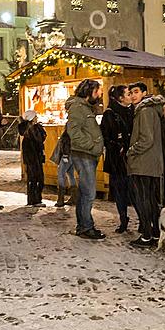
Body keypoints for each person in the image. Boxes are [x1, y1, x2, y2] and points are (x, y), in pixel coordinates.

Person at [126, 82, 165, 247]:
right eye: (131, 92)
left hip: (143, 162)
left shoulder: (145, 111)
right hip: (150, 162)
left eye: (136, 92)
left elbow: (147, 139)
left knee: (144, 199)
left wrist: (131, 150)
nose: (133, 95)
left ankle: (147, 235)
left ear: (144, 93)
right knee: (149, 199)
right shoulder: (148, 110)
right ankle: (155, 233)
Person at [66, 79, 106, 240]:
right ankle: (86, 227)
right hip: (84, 154)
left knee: (84, 192)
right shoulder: (78, 108)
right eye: (97, 91)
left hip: (87, 154)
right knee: (89, 193)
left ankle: (83, 226)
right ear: (89, 92)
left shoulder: (86, 107)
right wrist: (92, 145)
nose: (99, 94)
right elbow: (73, 132)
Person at [100, 85, 135, 233]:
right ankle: (123, 219)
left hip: (131, 157)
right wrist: (118, 145)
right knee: (121, 190)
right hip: (118, 159)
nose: (131, 96)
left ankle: (141, 221)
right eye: (128, 94)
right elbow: (106, 137)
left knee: (133, 190)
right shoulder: (110, 114)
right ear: (120, 98)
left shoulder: (132, 110)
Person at [19, 109, 46, 207]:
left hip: (32, 157)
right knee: (36, 178)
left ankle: (33, 199)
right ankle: (35, 200)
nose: (37, 117)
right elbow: (40, 139)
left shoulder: (28, 130)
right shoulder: (32, 130)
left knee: (33, 177)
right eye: (35, 116)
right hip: (33, 157)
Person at [51, 130, 76, 207]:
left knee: (61, 175)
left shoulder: (69, 127)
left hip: (67, 155)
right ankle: (74, 197)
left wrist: (65, 154)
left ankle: (60, 199)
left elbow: (66, 141)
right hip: (73, 155)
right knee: (71, 175)